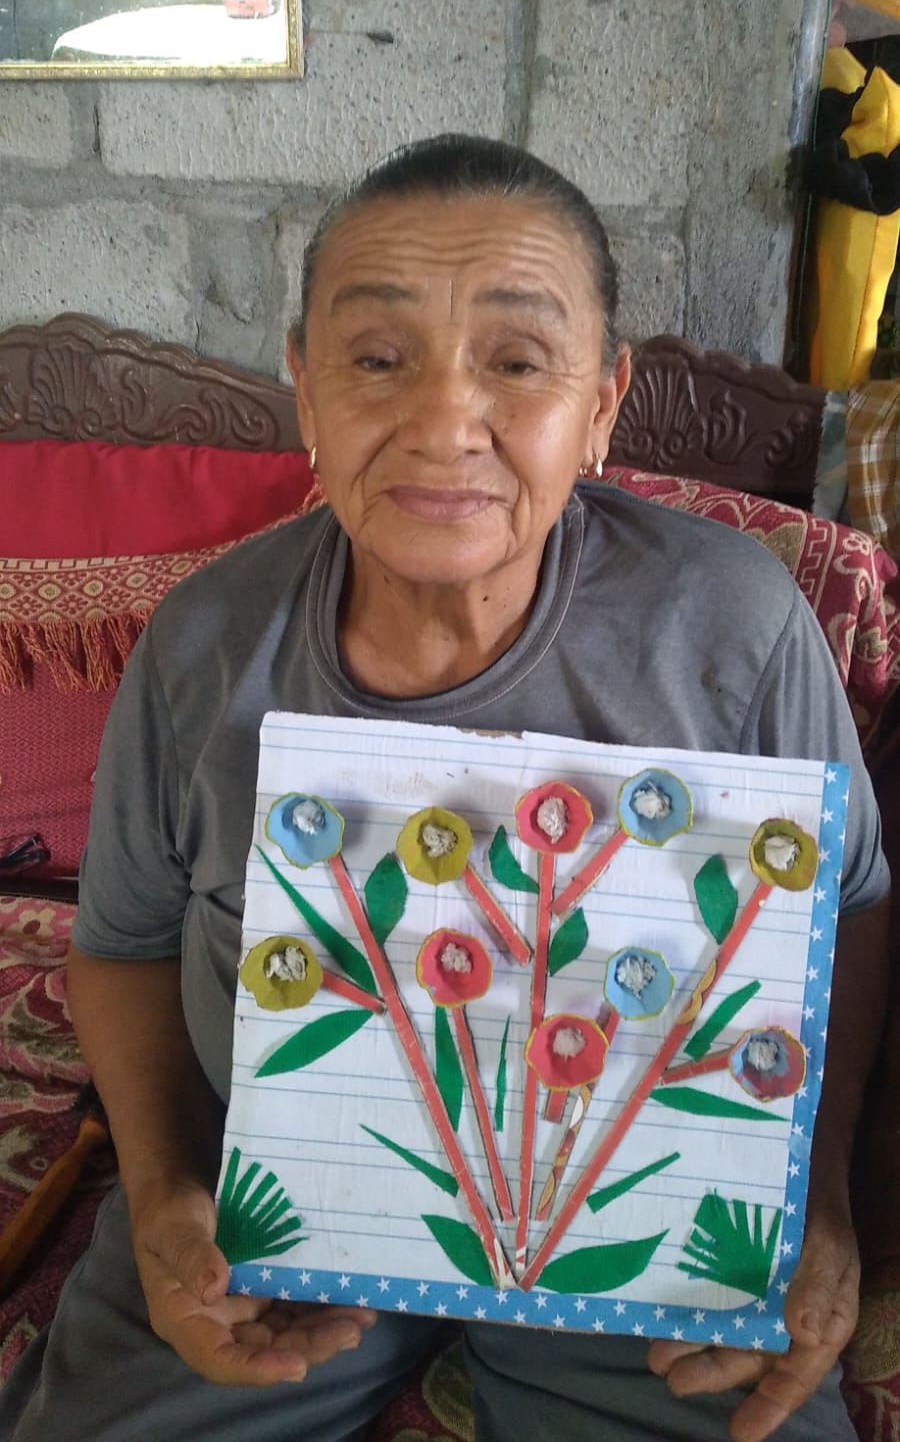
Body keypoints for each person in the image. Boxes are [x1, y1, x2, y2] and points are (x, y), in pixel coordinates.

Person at [0, 135, 888, 1442]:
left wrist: (821, 1207)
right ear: (306, 389)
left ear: (603, 401)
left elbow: (845, 905)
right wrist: (166, 1188)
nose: (442, 423)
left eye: (517, 363)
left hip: (639, 1229)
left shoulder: (734, 629)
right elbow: (124, 943)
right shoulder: (205, 646)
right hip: (268, 1213)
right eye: (377, 359)